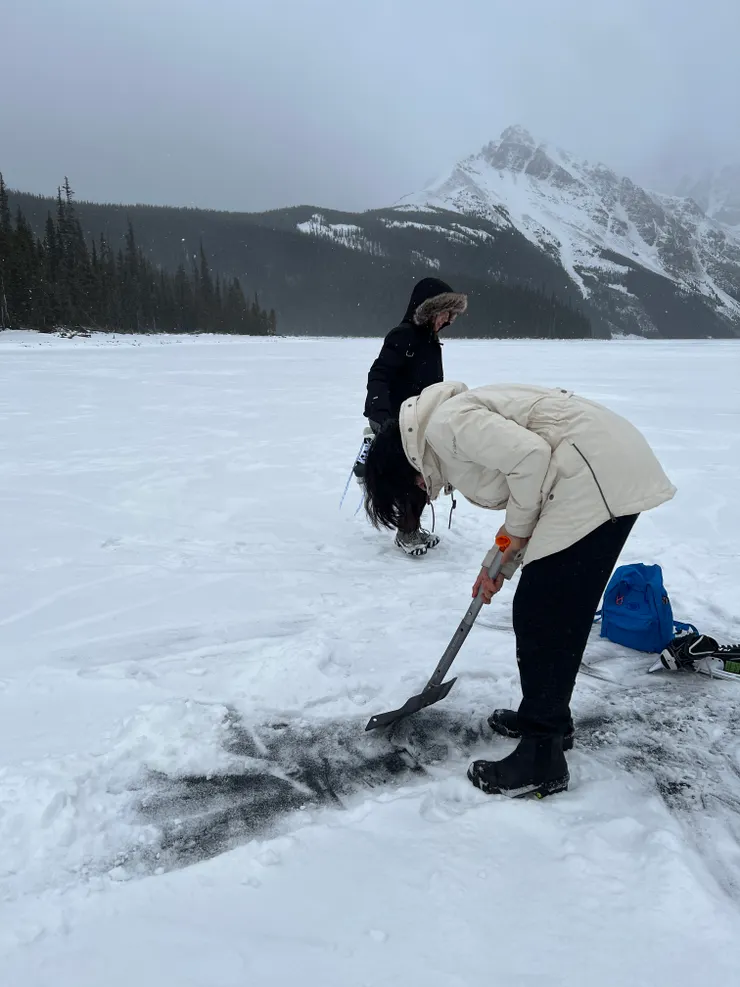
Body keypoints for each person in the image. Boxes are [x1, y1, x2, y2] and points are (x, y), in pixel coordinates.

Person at [362, 380, 676, 798]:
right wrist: (496, 565)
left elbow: (532, 461)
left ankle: (542, 756)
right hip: (592, 473)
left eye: (412, 490)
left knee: (545, 612)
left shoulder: (447, 425)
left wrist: (510, 542)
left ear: (406, 468)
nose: (423, 494)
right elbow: (525, 492)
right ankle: (547, 721)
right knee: (552, 608)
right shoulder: (442, 428)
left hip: (595, 476)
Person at [354, 277, 468, 557]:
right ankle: (406, 532)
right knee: (411, 478)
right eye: (445, 313)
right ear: (429, 310)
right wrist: (383, 417)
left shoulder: (431, 342)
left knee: (423, 477)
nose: (448, 320)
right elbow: (379, 375)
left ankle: (412, 528)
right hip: (397, 423)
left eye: (451, 315)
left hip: (418, 423)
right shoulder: (402, 336)